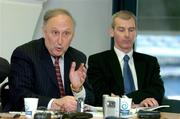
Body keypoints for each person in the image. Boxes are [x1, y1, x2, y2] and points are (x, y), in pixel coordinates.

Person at [5, 8, 94, 112]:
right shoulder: (25, 54)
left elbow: (92, 99)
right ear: (44, 32)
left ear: (73, 35)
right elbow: (20, 97)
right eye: (55, 32)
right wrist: (55, 104)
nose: (60, 41)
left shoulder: (77, 57)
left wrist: (77, 89)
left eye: (66, 34)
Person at [87, 10, 164, 107]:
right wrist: (134, 101)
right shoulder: (98, 61)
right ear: (111, 32)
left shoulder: (150, 62)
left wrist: (122, 99)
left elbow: (157, 92)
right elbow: (99, 96)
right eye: (121, 30)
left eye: (131, 30)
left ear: (136, 32)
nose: (127, 35)